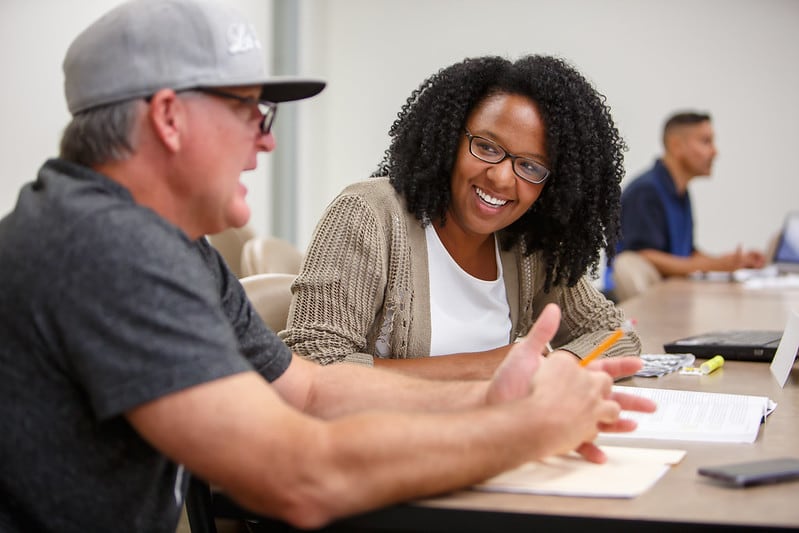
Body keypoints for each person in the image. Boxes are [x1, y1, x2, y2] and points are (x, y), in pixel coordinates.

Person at [0, 1, 657, 532]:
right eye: (247, 112)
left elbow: (311, 389)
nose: (267, 138)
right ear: (169, 118)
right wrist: (525, 426)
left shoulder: (175, 246)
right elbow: (299, 476)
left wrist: (490, 395)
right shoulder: (104, 248)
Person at [281, 55, 640, 380]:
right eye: (486, 147)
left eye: (530, 165)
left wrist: (558, 365)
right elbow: (311, 363)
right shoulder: (369, 214)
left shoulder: (528, 244)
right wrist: (482, 366)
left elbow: (615, 333)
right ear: (450, 137)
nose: (501, 178)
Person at [617, 111, 766, 277]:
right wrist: (715, 265)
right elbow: (642, 256)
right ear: (676, 146)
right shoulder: (645, 192)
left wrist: (732, 262)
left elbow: (685, 253)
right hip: (632, 301)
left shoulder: (680, 191)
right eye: (706, 142)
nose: (714, 152)